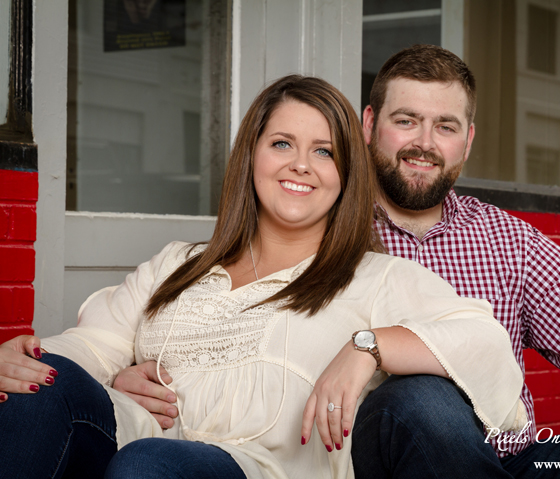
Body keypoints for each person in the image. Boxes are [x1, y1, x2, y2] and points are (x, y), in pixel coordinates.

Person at [113, 45, 560, 478]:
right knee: (420, 400)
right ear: (370, 126)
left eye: (445, 126)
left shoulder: (508, 243)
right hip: (375, 460)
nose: (425, 143)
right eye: (406, 121)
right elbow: (227, 308)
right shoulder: (318, 225)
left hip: (508, 459)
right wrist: (129, 371)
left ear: (467, 140)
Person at [0, 74, 525, 479]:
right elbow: (91, 344)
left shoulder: (376, 277)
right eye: (282, 144)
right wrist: (27, 362)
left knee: (151, 467)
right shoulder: (178, 264)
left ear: (345, 177)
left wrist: (368, 347)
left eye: (324, 152)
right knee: (41, 387)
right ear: (251, 156)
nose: (301, 164)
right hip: (136, 440)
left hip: (257, 470)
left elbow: (482, 339)